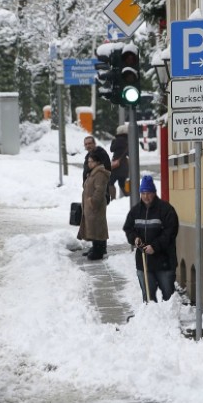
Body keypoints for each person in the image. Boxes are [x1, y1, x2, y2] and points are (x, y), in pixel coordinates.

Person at [123, 175, 179, 303]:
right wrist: (135, 239)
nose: (146, 196)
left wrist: (155, 246)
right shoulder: (135, 211)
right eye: (143, 193)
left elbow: (170, 232)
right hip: (144, 263)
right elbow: (128, 228)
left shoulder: (166, 210)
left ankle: (169, 319)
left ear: (154, 193)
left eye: (148, 193)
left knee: (168, 296)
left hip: (164, 261)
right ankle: (150, 319)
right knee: (148, 297)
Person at [77, 149, 110, 260]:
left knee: (97, 228)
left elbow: (99, 190)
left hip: (96, 206)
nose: (89, 163)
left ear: (97, 162)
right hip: (91, 207)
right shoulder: (93, 172)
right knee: (93, 228)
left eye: (91, 161)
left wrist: (93, 202)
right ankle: (96, 248)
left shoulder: (100, 174)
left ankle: (99, 251)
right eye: (88, 161)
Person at [109, 124, 129, 200]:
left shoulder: (117, 140)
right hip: (125, 165)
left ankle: (113, 199)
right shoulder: (128, 141)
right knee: (122, 184)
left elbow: (112, 149)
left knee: (110, 182)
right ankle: (128, 197)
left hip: (117, 166)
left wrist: (113, 141)